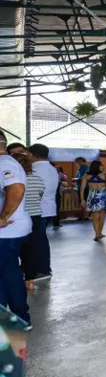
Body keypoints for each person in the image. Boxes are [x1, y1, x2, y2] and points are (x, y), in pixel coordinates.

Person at [0, 131, 32, 331]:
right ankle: (17, 317)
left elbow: (17, 189)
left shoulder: (5, 163)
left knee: (8, 273)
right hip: (11, 231)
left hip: (7, 231)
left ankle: (16, 317)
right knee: (8, 272)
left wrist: (3, 218)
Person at [13, 153, 44, 292]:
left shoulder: (15, 180)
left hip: (17, 218)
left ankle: (14, 278)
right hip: (35, 216)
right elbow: (40, 195)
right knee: (30, 250)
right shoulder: (37, 179)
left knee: (14, 250)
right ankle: (30, 281)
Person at [27, 144, 58, 281]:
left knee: (36, 241)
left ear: (31, 154)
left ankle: (41, 270)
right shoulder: (52, 168)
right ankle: (42, 268)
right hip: (48, 208)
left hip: (38, 209)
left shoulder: (34, 169)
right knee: (40, 240)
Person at [80, 160, 106, 241]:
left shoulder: (86, 176)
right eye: (101, 165)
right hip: (102, 196)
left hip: (92, 196)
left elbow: (82, 189)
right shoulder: (105, 175)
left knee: (94, 216)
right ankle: (99, 233)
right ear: (98, 166)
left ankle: (97, 234)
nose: (102, 166)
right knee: (101, 215)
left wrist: (82, 199)